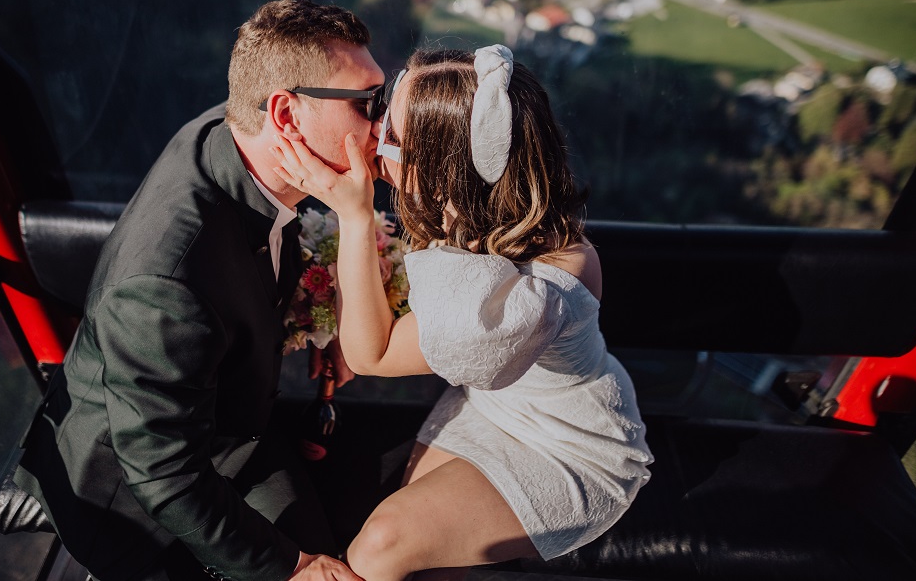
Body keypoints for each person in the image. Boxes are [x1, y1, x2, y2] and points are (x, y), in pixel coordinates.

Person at [13, 0, 386, 581]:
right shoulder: (167, 280)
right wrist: (291, 567)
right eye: (367, 104)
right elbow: (165, 472)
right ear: (286, 116)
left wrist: (323, 309)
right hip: (143, 504)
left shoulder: (235, 133)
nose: (381, 124)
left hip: (232, 426)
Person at [272, 45, 654, 580]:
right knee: (430, 562)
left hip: (569, 444)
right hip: (495, 409)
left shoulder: (550, 280)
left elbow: (374, 353)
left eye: (393, 135)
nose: (375, 134)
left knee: (385, 542)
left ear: (443, 167)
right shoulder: (460, 217)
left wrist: (355, 218)